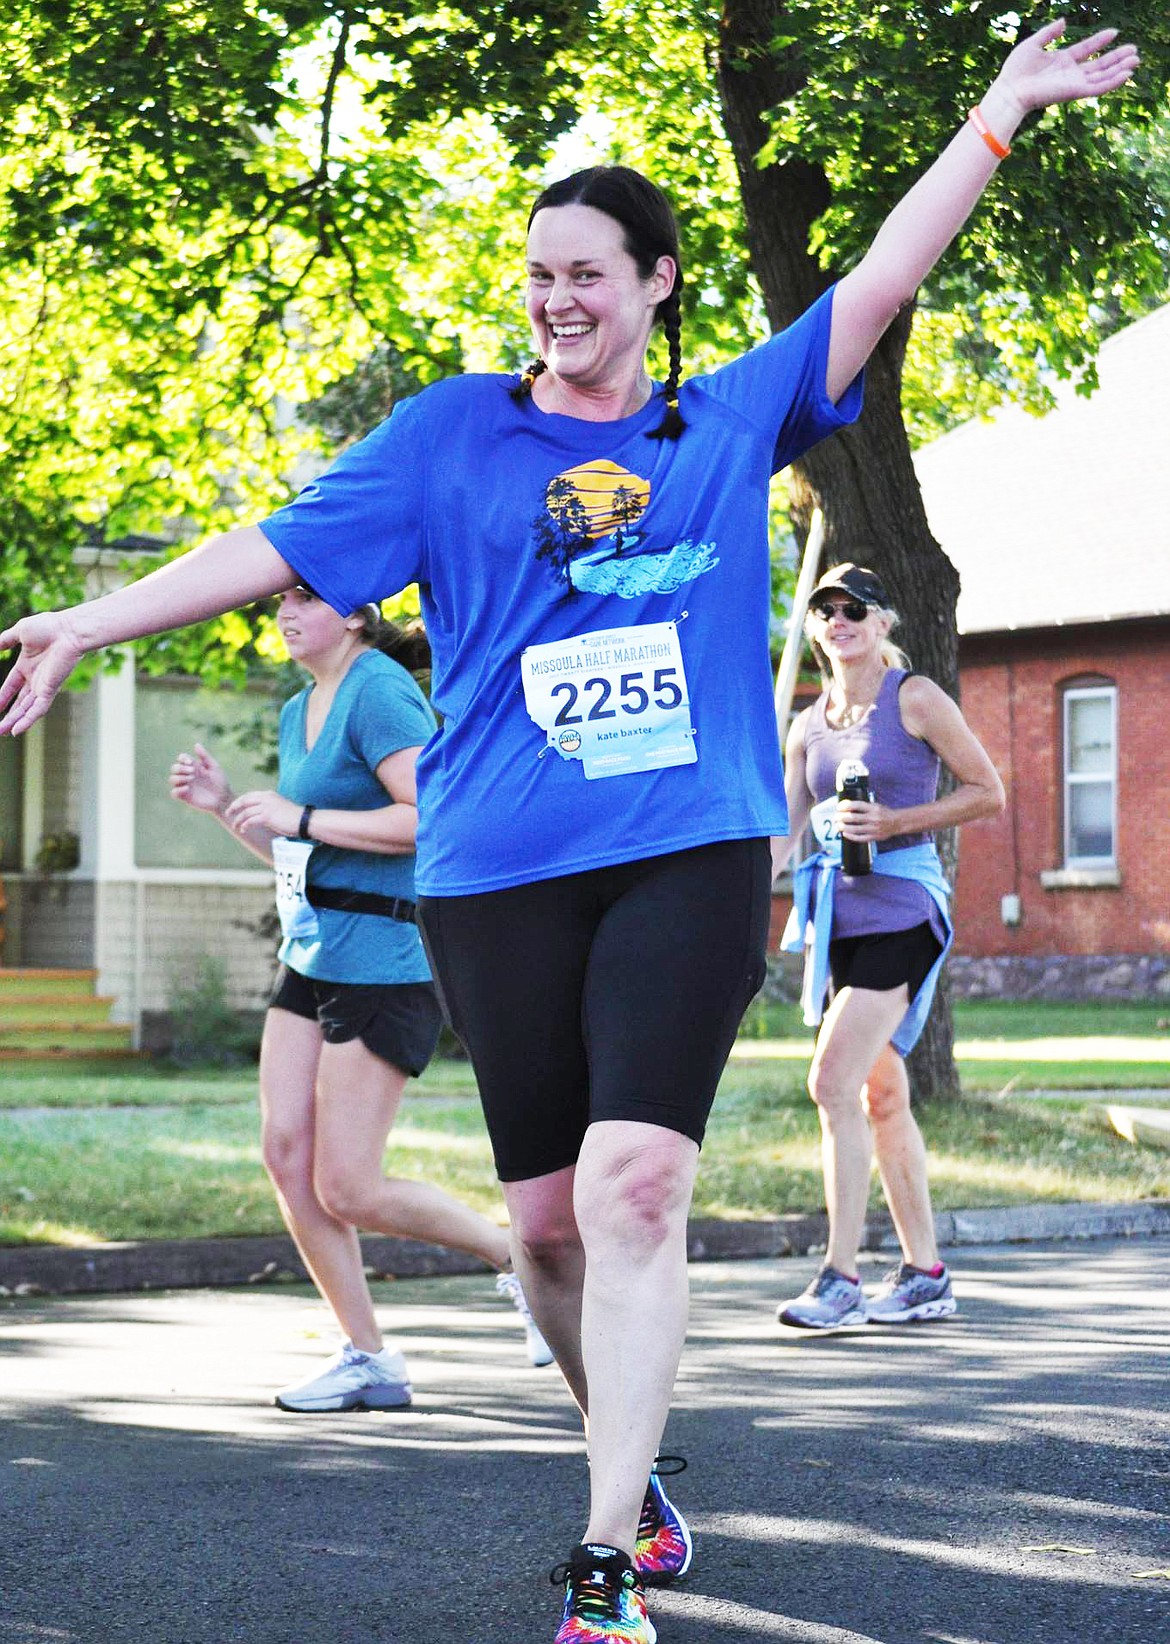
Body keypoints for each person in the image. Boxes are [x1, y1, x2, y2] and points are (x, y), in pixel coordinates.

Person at [0, 22, 1138, 1642]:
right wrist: (85, 622)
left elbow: (882, 275)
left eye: (589, 270)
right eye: (539, 272)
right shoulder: (449, 436)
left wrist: (996, 118)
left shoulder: (729, 420)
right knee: (544, 1227)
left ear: (659, 281)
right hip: (493, 871)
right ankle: (628, 1456)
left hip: (684, 851)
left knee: (632, 1191)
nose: (556, 296)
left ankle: (604, 1558)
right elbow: (264, 547)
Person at [169, 585, 552, 1410]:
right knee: (285, 1155)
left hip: (385, 957)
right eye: (279, 598)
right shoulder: (300, 704)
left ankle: (519, 1261)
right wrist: (225, 808)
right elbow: (298, 848)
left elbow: (429, 819)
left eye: (305, 597)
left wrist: (297, 815)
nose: (284, 609)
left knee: (347, 1185)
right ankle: (367, 1355)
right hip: (315, 953)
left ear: (354, 615)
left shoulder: (379, 689)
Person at [772, 564, 1005, 1333]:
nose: (838, 619)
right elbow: (781, 839)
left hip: (907, 907)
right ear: (815, 629)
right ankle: (925, 1274)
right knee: (880, 1095)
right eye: (825, 610)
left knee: (830, 1081)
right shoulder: (809, 724)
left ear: (882, 624)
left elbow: (987, 791)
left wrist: (897, 823)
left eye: (854, 609)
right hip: (840, 920)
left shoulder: (916, 698)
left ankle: (839, 1278)